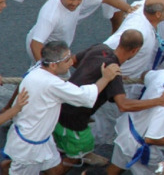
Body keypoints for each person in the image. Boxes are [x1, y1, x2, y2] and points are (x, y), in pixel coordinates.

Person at [48, 31, 164, 173]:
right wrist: (160, 100)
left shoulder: (99, 48)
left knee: (61, 145)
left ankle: (81, 153)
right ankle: (73, 158)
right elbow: (124, 105)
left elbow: (74, 60)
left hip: (59, 107)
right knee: (70, 157)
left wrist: (90, 77)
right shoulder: (113, 75)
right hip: (74, 121)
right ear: (135, 51)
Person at [5, 41, 120, 175]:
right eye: (67, 60)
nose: (71, 62)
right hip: (30, 148)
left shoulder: (37, 70)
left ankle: (8, 165)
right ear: (53, 65)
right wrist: (105, 78)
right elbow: (84, 97)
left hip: (41, 138)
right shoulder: (52, 84)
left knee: (55, 171)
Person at [93, 0, 164, 145]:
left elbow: (139, 2)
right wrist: (108, 76)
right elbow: (106, 50)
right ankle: (88, 151)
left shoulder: (142, 8)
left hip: (130, 80)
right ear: (158, 14)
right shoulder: (139, 30)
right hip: (118, 83)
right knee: (107, 121)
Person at [26, 0, 132, 63]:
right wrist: (44, 69)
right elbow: (35, 44)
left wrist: (129, 9)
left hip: (60, 46)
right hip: (45, 49)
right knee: (60, 77)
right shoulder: (50, 14)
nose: (75, 3)